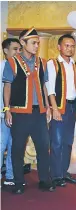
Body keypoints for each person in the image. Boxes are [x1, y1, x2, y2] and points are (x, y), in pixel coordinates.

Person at [2, 28, 55, 194]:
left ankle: (44, 180)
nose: (37, 45)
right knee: (17, 148)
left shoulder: (42, 62)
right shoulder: (12, 62)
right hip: (19, 113)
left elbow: (45, 86)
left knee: (43, 147)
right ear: (23, 43)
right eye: (33, 42)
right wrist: (6, 109)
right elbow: (7, 86)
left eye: (38, 43)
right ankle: (18, 182)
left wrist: (47, 107)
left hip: (39, 113)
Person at [46, 34, 76, 187]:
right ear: (59, 47)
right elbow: (50, 89)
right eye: (66, 45)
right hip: (60, 106)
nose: (70, 48)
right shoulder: (52, 64)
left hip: (73, 106)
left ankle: (63, 172)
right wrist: (54, 108)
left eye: (72, 46)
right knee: (57, 142)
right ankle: (55, 175)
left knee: (68, 142)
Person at [1, 38, 21, 187]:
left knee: (13, 145)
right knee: (1, 145)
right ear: (5, 51)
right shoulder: (2, 67)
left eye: (19, 49)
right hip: (3, 113)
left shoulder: (19, 67)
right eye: (15, 49)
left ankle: (10, 175)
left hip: (17, 114)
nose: (18, 52)